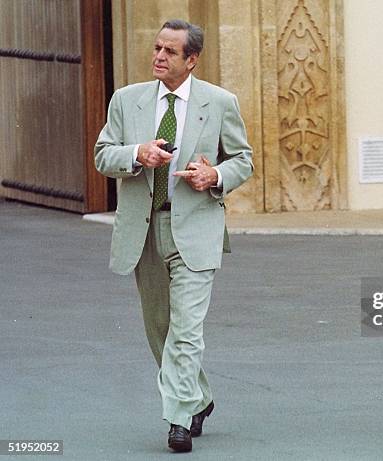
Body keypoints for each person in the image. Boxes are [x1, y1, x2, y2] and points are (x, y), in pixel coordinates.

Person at [94, 19, 253, 452]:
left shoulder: (219, 102)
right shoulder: (127, 101)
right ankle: (198, 398)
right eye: (157, 48)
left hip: (196, 227)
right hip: (143, 229)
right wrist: (136, 154)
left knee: (186, 330)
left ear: (192, 59)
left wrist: (214, 173)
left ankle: (178, 419)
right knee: (160, 328)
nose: (158, 57)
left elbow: (243, 159)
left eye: (169, 52)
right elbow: (103, 154)